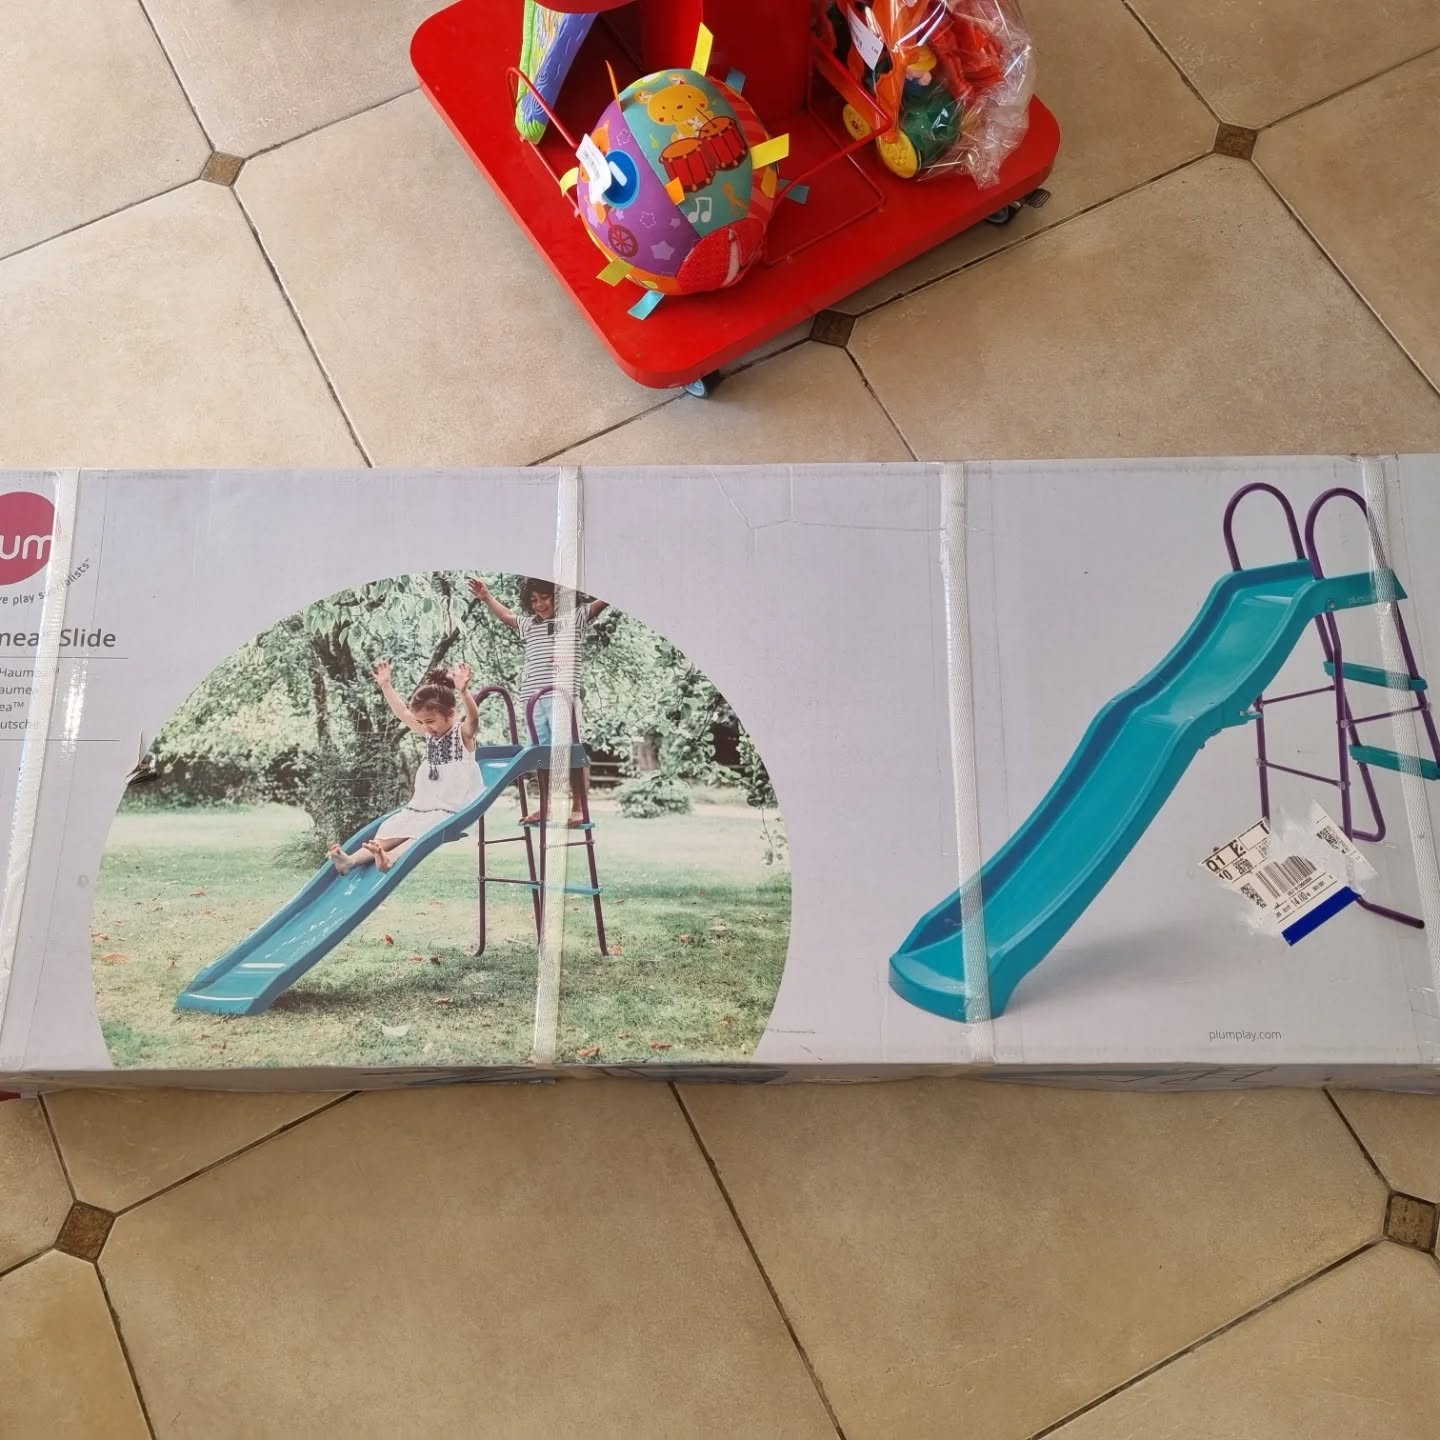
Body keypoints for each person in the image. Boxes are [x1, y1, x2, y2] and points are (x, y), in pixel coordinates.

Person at [468, 576, 607, 826]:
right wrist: (486, 597)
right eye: (533, 600)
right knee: (540, 755)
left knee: (570, 750)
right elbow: (507, 616)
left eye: (544, 597)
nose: (539, 604)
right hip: (532, 700)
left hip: (560, 696)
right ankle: (547, 807)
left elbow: (600, 603)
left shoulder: (572, 619)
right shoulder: (531, 625)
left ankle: (579, 808)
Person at [329, 661, 481, 874]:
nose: (426, 727)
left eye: (430, 721)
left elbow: (473, 719)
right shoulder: (430, 735)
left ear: (451, 714)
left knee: (422, 833)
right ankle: (351, 860)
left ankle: (390, 858)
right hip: (423, 805)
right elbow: (403, 712)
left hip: (451, 808)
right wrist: (386, 686)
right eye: (422, 722)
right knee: (395, 828)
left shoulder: (462, 735)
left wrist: (464, 692)